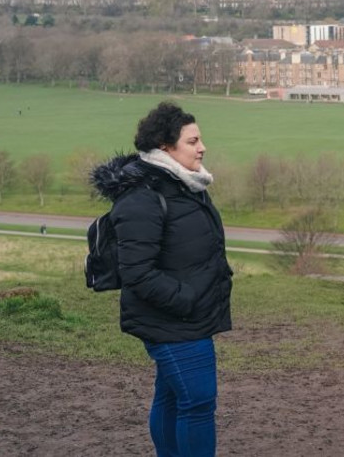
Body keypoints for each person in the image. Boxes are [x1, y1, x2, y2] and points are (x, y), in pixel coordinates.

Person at [91, 102, 232, 457]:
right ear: (165, 147)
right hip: (173, 320)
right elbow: (137, 273)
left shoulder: (185, 185)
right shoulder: (144, 198)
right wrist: (186, 300)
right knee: (198, 403)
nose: (202, 147)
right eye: (193, 141)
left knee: (172, 397)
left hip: (186, 318)